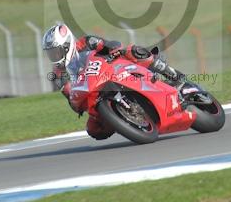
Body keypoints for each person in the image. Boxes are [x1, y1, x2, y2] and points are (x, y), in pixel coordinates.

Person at [42, 22, 184, 140]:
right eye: (50, 53)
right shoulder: (58, 73)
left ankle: (174, 75)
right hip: (93, 91)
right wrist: (76, 102)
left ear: (67, 44)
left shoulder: (86, 42)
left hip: (112, 68)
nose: (54, 56)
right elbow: (71, 98)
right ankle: (124, 120)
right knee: (94, 130)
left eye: (56, 51)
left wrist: (114, 50)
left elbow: (111, 45)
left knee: (132, 51)